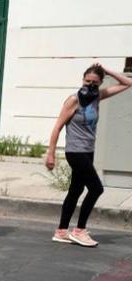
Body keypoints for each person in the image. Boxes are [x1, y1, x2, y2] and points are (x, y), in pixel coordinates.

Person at [46, 63, 131, 247]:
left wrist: (107, 71)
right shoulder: (73, 100)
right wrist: (51, 153)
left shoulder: (98, 97)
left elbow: (127, 83)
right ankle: (79, 230)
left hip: (88, 151)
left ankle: (61, 231)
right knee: (96, 188)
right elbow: (57, 127)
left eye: (95, 82)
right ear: (82, 80)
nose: (90, 85)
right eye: (87, 81)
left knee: (75, 190)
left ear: (100, 83)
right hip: (75, 151)